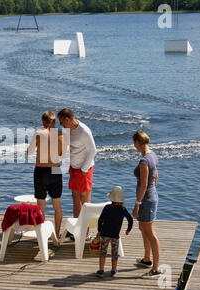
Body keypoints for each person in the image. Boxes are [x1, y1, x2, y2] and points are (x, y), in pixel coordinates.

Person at [57, 108, 97, 240]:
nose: (61, 125)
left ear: (68, 120)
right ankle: (76, 229)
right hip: (73, 168)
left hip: (84, 170)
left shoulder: (84, 131)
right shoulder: (67, 130)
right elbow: (67, 147)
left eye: (62, 122)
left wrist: (84, 170)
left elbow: (93, 151)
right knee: (75, 198)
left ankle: (85, 233)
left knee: (85, 201)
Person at [27, 111, 63, 237]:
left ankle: (41, 236)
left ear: (43, 121)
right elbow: (61, 154)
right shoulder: (60, 134)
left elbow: (30, 152)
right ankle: (57, 235)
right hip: (56, 169)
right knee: (57, 206)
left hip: (41, 171)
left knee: (41, 207)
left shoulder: (38, 133)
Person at [132, 130, 161, 279]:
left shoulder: (144, 161)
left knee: (150, 232)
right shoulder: (152, 155)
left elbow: (143, 185)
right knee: (143, 227)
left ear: (137, 142)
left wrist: (137, 204)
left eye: (134, 143)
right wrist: (152, 190)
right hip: (151, 196)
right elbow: (155, 177)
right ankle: (146, 259)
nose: (134, 146)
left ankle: (156, 269)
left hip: (146, 199)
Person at [96, 186, 133, 278]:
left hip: (104, 234)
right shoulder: (122, 209)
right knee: (114, 253)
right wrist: (128, 229)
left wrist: (99, 230)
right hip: (115, 236)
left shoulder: (107, 207)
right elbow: (130, 219)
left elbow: (100, 220)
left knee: (103, 252)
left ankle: (101, 269)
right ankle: (113, 270)